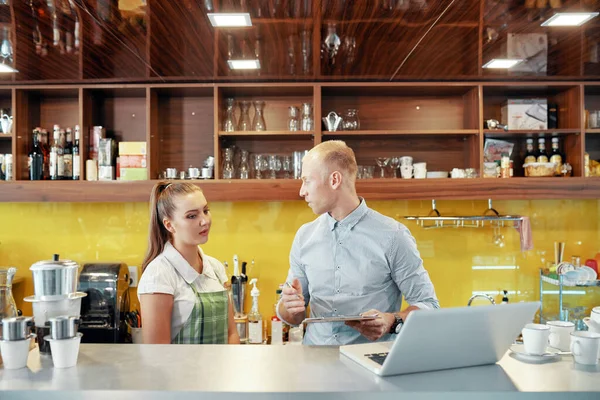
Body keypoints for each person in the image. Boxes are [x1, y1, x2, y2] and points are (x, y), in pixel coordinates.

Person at [277, 140, 439, 345]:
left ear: (334, 180)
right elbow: (293, 317)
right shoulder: (304, 236)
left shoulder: (393, 235)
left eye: (307, 181)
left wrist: (392, 320)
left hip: (371, 365)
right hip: (315, 364)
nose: (302, 191)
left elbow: (428, 304)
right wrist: (289, 306)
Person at [137, 181, 240, 344]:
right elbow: (156, 355)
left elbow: (231, 333)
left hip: (221, 369)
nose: (204, 221)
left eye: (205, 211)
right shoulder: (158, 275)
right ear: (169, 225)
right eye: (192, 216)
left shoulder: (215, 268)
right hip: (180, 370)